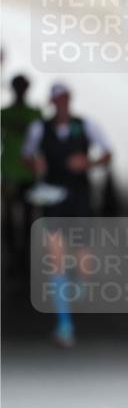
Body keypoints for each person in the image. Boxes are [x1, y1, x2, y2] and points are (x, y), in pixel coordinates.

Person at [22, 82, 113, 348]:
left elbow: (107, 153)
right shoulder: (40, 128)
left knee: (84, 262)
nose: (61, 104)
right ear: (52, 102)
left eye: (64, 99)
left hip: (80, 197)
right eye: (57, 100)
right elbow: (27, 154)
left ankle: (77, 286)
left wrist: (90, 163)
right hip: (53, 197)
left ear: (69, 100)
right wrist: (34, 163)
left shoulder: (86, 126)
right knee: (56, 257)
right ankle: (64, 324)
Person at [1, 71, 42, 267]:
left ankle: (21, 253)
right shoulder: (10, 114)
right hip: (12, 171)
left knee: (24, 214)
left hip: (24, 172)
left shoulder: (33, 114)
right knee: (14, 213)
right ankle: (16, 253)